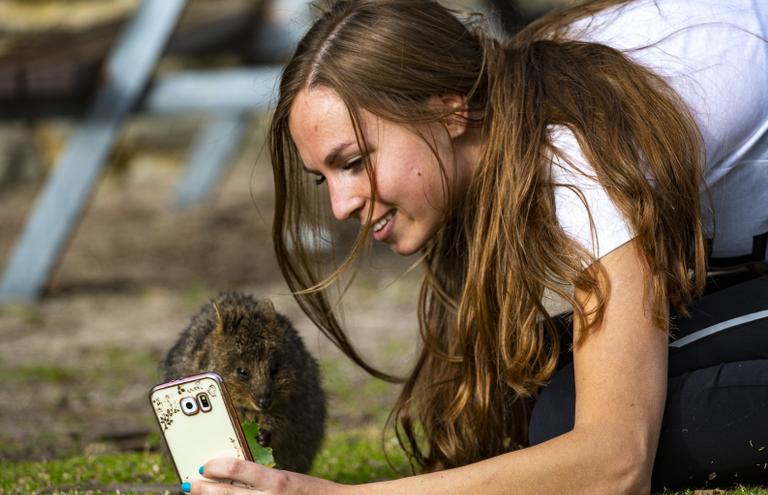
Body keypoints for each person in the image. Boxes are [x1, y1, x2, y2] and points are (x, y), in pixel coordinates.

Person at [186, 0, 768, 493]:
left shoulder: (580, 151)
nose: (341, 206)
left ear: (449, 109)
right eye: (325, 178)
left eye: (355, 162)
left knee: (573, 424)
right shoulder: (520, 94)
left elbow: (615, 466)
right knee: (538, 392)